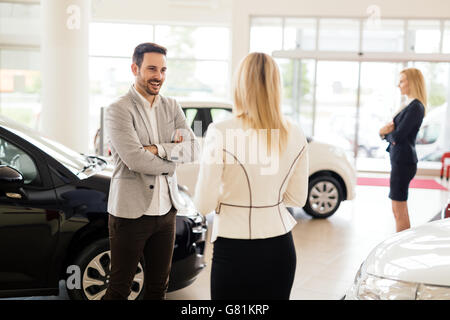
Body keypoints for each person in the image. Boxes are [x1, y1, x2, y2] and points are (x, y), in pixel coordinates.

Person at [193, 52, 309, 300]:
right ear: (277, 86)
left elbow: (203, 203)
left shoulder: (220, 131)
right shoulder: (295, 132)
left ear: (240, 85)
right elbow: (297, 198)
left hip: (234, 246)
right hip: (280, 246)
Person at [103, 42, 199, 300]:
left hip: (166, 212)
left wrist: (156, 149)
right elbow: (135, 160)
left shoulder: (172, 106)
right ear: (135, 68)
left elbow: (193, 150)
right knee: (119, 288)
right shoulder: (118, 109)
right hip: (130, 213)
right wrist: (171, 159)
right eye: (152, 69)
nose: (159, 76)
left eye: (163, 70)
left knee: (159, 288)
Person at [379, 68, 426, 233]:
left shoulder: (416, 107)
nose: (398, 85)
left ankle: (401, 246)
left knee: (399, 209)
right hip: (400, 160)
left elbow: (398, 136)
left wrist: (384, 132)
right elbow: (394, 135)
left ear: (412, 82)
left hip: (403, 161)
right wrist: (385, 133)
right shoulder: (408, 105)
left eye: (402, 81)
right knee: (397, 209)